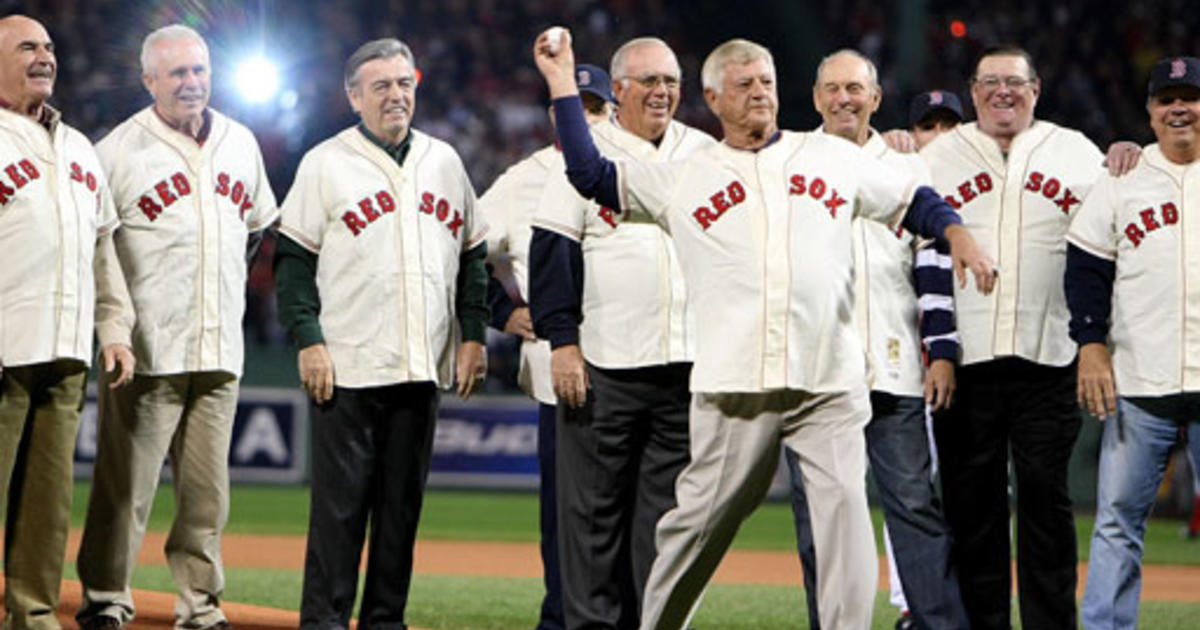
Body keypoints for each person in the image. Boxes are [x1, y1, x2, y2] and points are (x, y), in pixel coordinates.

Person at [532, 29, 995, 630]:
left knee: (846, 524)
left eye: (767, 82)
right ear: (714, 98)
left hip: (827, 382)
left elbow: (913, 199)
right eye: (743, 84)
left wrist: (957, 233)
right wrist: (563, 82)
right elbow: (591, 173)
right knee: (693, 527)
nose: (758, 92)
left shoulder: (828, 156)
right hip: (734, 389)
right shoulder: (686, 174)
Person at [273, 37, 489, 630]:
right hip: (347, 366)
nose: (396, 96)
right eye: (381, 87)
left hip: (422, 365)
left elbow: (474, 255)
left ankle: (385, 622)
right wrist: (308, 338)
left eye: (404, 84)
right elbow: (292, 262)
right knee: (339, 514)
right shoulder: (325, 162)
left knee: (400, 515)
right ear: (353, 97)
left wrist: (474, 334)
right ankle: (323, 621)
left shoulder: (445, 160)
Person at [73, 24, 278, 630]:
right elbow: (95, 249)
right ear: (149, 81)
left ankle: (201, 605)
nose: (192, 83)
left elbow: (257, 228)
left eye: (199, 71)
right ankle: (105, 599)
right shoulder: (116, 152)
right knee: (124, 492)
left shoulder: (240, 141)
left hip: (219, 349)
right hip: (145, 351)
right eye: (177, 74)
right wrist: (113, 327)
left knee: (207, 499)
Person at [529, 38, 715, 630]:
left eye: (671, 80)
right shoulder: (586, 149)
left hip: (688, 367)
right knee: (590, 521)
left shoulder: (707, 153)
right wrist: (563, 343)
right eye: (647, 81)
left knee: (666, 522)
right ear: (620, 90)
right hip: (604, 365)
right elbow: (552, 250)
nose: (661, 91)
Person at [919, 45, 1107, 630]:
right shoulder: (939, 155)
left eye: (1015, 82)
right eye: (991, 82)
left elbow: (1104, 245)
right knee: (972, 510)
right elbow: (923, 255)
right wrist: (940, 351)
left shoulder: (1077, 152)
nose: (1004, 91)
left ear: (1037, 87)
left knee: (1048, 507)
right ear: (972, 92)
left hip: (1049, 357)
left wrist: (1130, 153)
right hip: (965, 362)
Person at [787, 49, 968, 630]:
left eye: (855, 88)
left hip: (894, 369)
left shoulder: (905, 167)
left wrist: (942, 352)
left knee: (915, 507)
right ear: (816, 98)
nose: (844, 98)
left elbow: (934, 265)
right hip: (814, 375)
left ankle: (939, 624)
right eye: (833, 88)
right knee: (821, 517)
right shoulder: (790, 162)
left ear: (876, 98)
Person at [0, 14, 135, 630]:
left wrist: (114, 329)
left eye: (50, 47)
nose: (45, 57)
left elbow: (103, 250)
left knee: (47, 503)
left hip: (63, 351)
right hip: (5, 346)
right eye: (28, 46)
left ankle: (32, 614)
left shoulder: (79, 146)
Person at [478, 62, 616, 630]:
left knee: (639, 514)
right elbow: (459, 253)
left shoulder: (642, 170)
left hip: (644, 368)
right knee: (565, 516)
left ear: (612, 110)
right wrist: (503, 311)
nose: (583, 117)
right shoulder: (522, 181)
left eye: (594, 106)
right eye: (572, 106)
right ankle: (559, 619)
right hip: (560, 378)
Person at [1066, 55, 1200, 630]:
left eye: (1189, 97)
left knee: (1119, 521)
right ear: (1149, 112)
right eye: (1166, 99)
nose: (1178, 108)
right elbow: (1085, 268)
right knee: (1118, 520)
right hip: (1140, 378)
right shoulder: (1122, 177)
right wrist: (1090, 345)